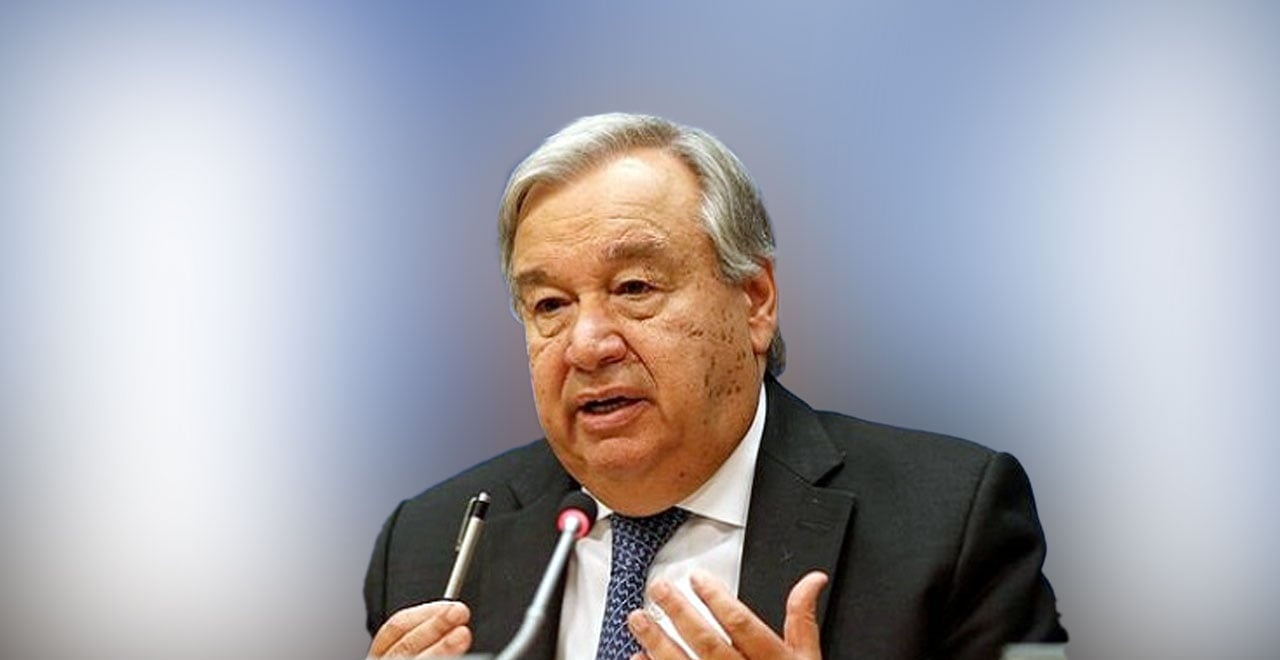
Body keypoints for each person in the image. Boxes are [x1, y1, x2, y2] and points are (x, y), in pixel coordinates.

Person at [363, 113, 1067, 659]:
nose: (586, 345)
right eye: (550, 304)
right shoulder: (428, 545)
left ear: (755, 300)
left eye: (634, 288)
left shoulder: (952, 522)